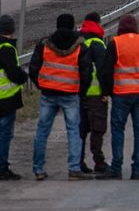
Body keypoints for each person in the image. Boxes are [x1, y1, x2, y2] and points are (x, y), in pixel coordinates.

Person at [95, 14, 139, 180]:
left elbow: (106, 70)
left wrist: (108, 91)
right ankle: (137, 169)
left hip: (121, 94)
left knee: (118, 130)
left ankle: (116, 168)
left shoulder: (115, 43)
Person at [28, 13, 92, 181]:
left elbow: (33, 69)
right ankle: (74, 168)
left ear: (57, 25)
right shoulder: (80, 46)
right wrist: (81, 91)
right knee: (73, 131)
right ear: (73, 26)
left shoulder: (45, 44)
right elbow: (87, 72)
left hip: (48, 93)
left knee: (42, 131)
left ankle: (38, 168)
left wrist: (41, 84)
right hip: (70, 94)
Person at [78, 13, 109, 174]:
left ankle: (78, 161)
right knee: (97, 129)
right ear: (98, 24)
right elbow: (103, 70)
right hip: (95, 95)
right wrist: (105, 91)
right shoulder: (98, 44)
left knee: (81, 130)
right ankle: (99, 161)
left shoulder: (80, 43)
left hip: (79, 94)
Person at [0, 15, 28, 180]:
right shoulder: (7, 48)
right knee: (5, 135)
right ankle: (2, 168)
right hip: (6, 99)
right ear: (11, 29)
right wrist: (24, 77)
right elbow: (13, 73)